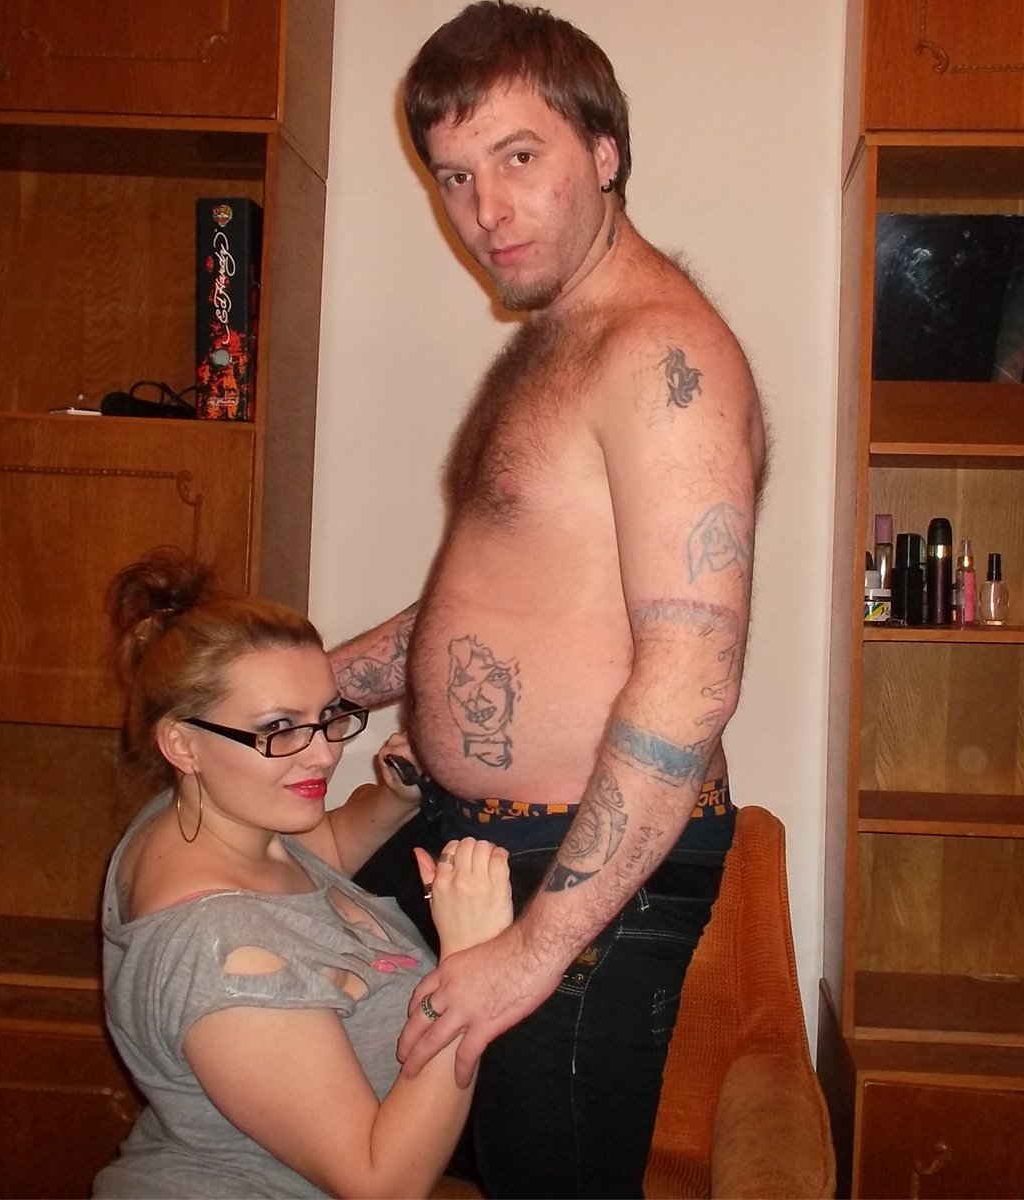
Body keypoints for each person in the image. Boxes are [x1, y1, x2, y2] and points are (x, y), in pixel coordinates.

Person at [328, 4, 768, 1194]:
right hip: (476, 844)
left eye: (520, 158)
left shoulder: (660, 356)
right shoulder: (562, 339)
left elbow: (694, 671)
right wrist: (313, 688)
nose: (487, 210)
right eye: (455, 177)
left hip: (574, 868)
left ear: (606, 151)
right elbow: (508, 609)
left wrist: (535, 950)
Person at [92, 548, 512, 1199]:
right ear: (181, 744)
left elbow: (322, 851)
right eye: (279, 729)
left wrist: (393, 798)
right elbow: (381, 1184)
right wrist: (468, 964)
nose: (322, 754)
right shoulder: (227, 954)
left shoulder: (200, 821)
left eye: (328, 716)